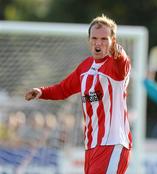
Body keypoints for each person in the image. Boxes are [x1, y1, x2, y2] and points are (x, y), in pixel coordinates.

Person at [25, 14, 132, 174]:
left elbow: (123, 64)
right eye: (94, 38)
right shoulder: (85, 67)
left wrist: (119, 53)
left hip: (113, 143)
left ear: (113, 41)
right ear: (89, 40)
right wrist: (41, 91)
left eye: (104, 39)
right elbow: (63, 89)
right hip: (91, 145)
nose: (98, 43)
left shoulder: (115, 65)